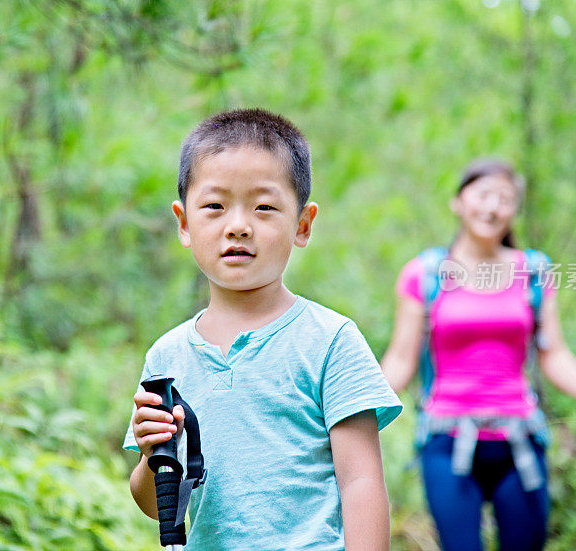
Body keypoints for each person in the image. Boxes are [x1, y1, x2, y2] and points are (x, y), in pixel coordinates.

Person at [124, 108, 402, 550]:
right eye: (214, 207)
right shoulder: (167, 358)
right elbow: (160, 505)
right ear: (183, 223)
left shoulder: (331, 341)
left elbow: (361, 482)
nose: (237, 226)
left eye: (264, 207)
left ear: (303, 224)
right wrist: (148, 452)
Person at [380, 158, 576, 551]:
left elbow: (554, 353)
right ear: (458, 202)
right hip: (446, 442)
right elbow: (400, 360)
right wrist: (354, 409)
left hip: (520, 442)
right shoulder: (425, 274)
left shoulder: (532, 270)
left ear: (515, 210)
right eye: (483, 195)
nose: (492, 208)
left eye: (505, 199)